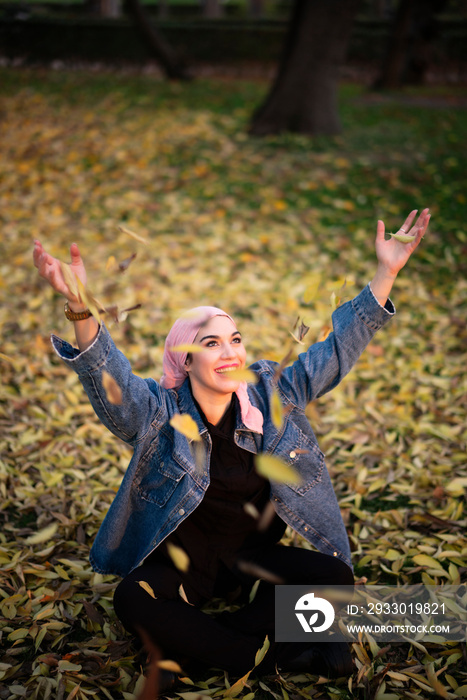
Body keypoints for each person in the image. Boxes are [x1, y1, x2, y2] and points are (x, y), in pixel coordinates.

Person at [33, 208, 430, 689]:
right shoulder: (159, 412)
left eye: (235, 340)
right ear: (185, 359)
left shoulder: (272, 393)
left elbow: (337, 350)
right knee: (131, 601)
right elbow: (111, 382)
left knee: (333, 578)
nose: (230, 353)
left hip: (251, 566)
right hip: (181, 568)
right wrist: (79, 306)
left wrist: (386, 273)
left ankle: (206, 646)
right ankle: (269, 654)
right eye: (212, 343)